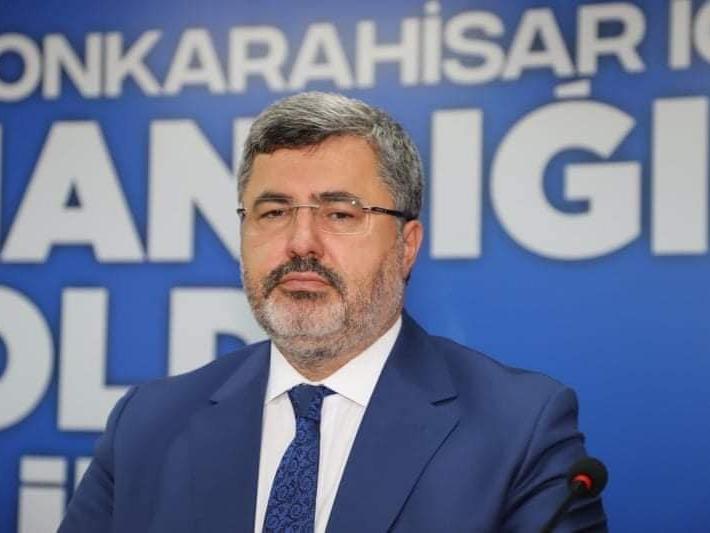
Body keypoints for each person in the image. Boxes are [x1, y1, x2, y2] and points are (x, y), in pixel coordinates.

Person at [59, 92, 607, 532]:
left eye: (340, 214)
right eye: (273, 212)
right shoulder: (147, 424)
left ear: (406, 246)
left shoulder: (520, 428)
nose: (301, 242)